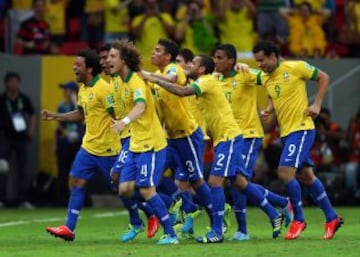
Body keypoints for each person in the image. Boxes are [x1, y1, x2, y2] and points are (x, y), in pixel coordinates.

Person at [145, 54, 283, 243]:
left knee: (215, 182)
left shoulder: (206, 81)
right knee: (240, 182)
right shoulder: (209, 79)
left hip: (230, 137)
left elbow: (183, 91)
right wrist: (150, 74)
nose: (189, 66)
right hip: (223, 138)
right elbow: (181, 73)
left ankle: (217, 231)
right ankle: (276, 212)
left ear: (201, 69)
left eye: (193, 63)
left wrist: (154, 79)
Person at [253, 40, 343, 240]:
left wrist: (317, 105)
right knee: (307, 177)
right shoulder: (266, 78)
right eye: (257, 61)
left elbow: (324, 77)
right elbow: (273, 97)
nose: (260, 65)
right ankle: (332, 217)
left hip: (301, 129)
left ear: (273, 56)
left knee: (285, 173)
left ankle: (299, 220)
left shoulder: (296, 67)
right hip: (286, 133)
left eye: (262, 60)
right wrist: (268, 109)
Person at [213, 43, 293, 241]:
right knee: (237, 181)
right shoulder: (215, 80)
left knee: (237, 181)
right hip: (228, 137)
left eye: (220, 57)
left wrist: (269, 107)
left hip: (248, 135)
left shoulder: (246, 75)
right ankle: (281, 202)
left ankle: (244, 230)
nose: (216, 61)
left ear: (231, 60)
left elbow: (271, 75)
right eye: (214, 57)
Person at [43, 49, 120, 241]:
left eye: (78, 65)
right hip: (88, 147)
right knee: (77, 181)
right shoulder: (83, 89)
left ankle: (155, 210)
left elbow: (117, 117)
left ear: (90, 68)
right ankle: (69, 228)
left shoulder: (104, 88)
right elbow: (80, 115)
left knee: (123, 189)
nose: (74, 68)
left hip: (108, 149)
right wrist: (56, 116)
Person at [108, 40, 178, 245]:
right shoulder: (121, 82)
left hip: (152, 143)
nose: (108, 60)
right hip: (136, 143)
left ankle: (170, 234)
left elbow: (140, 107)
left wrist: (124, 122)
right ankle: (169, 204)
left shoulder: (137, 81)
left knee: (146, 189)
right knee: (125, 190)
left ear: (124, 60)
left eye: (113, 57)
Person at [147, 39, 213, 237]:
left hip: (188, 135)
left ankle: (217, 220)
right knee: (152, 179)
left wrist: (149, 77)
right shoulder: (156, 77)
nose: (152, 52)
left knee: (196, 181)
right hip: (169, 138)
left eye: (157, 50)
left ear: (168, 56)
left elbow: (172, 79)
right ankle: (185, 206)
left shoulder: (175, 69)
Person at [0, 71, 36, 208]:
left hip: (22, 138)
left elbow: (32, 115)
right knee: (2, 168)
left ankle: (23, 199)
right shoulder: (2, 99)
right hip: (5, 138)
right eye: (11, 81)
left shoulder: (23, 98)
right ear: (6, 83)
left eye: (16, 81)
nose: (14, 84)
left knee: (23, 169)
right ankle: (1, 199)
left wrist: (31, 131)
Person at [54, 81, 83, 207]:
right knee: (63, 172)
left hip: (78, 143)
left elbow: (83, 119)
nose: (65, 93)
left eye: (67, 90)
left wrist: (74, 100)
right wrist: (63, 135)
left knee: (79, 173)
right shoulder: (62, 106)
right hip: (65, 143)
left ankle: (80, 200)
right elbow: (59, 125)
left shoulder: (80, 105)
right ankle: (62, 200)